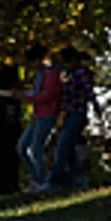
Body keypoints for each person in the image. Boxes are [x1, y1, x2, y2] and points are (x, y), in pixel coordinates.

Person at [14, 44, 62, 191]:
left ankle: (44, 182)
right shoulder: (41, 75)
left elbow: (47, 96)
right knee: (22, 147)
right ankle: (37, 179)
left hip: (48, 115)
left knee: (36, 149)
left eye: (33, 62)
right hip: (38, 115)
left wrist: (26, 97)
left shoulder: (53, 73)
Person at [50, 48, 98, 188]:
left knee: (63, 144)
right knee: (68, 145)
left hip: (77, 113)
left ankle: (55, 179)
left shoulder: (81, 73)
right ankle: (78, 177)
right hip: (68, 113)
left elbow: (88, 92)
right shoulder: (69, 74)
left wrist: (96, 108)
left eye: (66, 62)